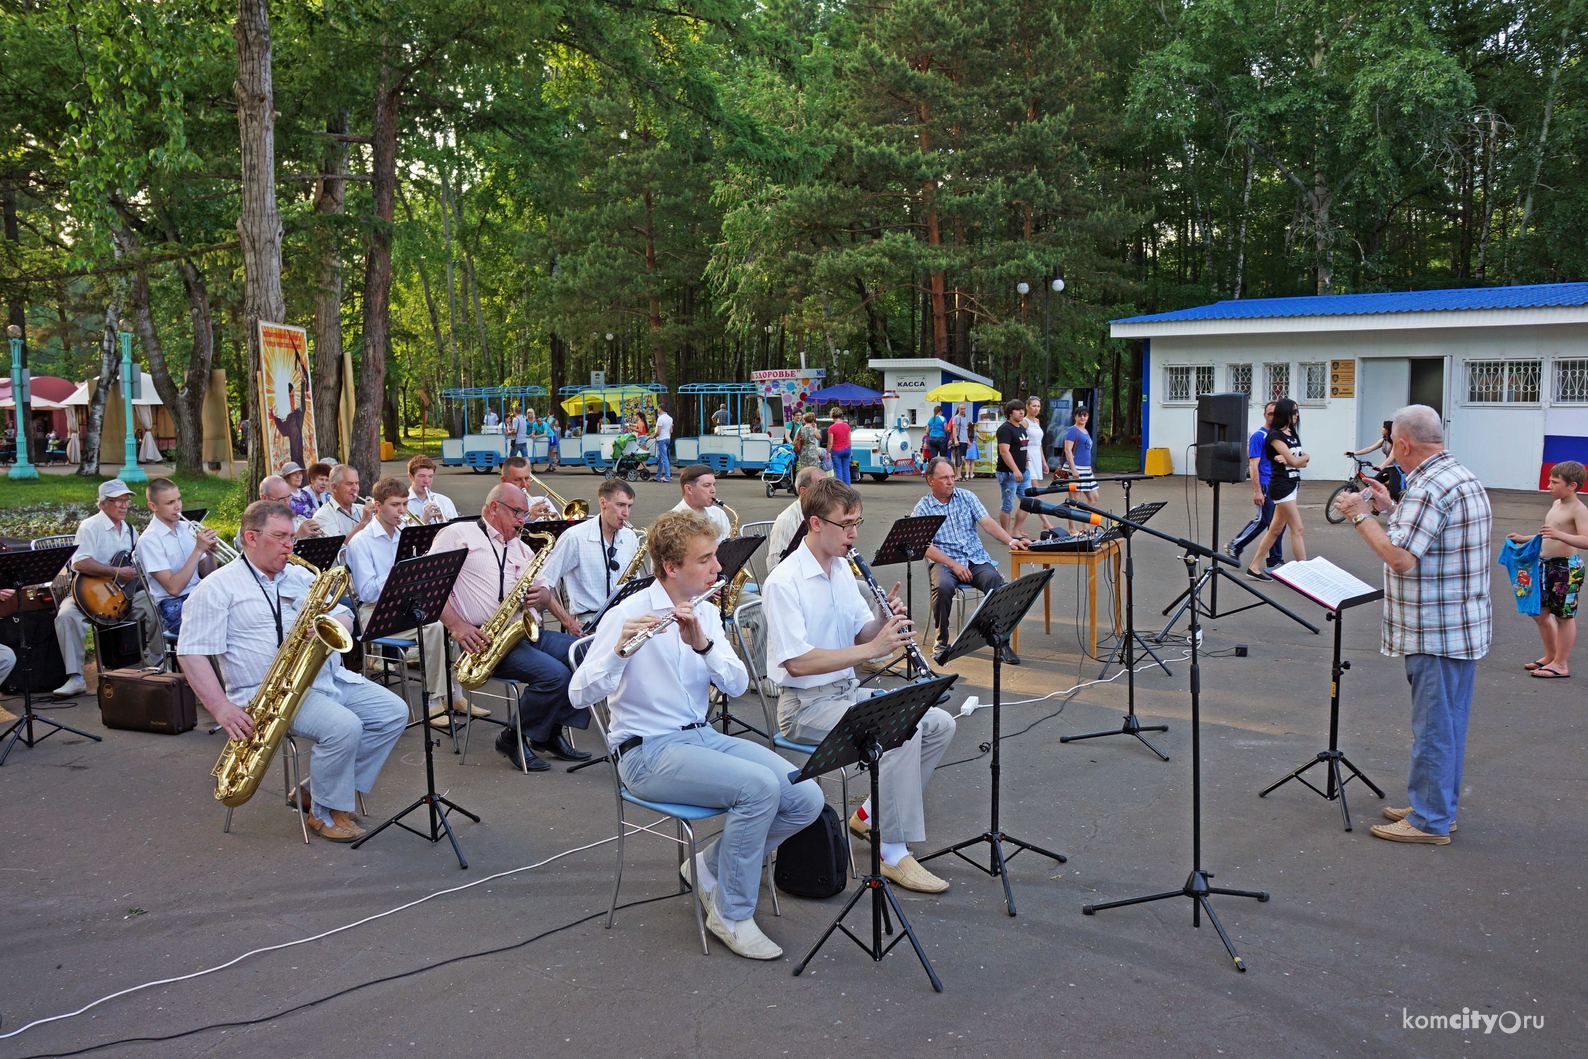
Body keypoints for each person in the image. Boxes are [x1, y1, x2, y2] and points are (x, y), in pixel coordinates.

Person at [570, 510, 821, 958]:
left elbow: (738, 684)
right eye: (705, 560)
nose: (717, 568)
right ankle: (731, 913)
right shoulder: (628, 612)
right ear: (671, 567)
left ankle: (707, 865)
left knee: (806, 796)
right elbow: (578, 693)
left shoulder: (702, 609)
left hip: (700, 736)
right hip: (646, 752)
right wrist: (617, 653)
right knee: (759, 789)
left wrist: (703, 645)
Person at [764, 478, 956, 893]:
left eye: (857, 522)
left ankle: (869, 816)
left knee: (938, 722)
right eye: (846, 524)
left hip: (844, 694)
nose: (854, 533)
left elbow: (859, 633)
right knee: (900, 732)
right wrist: (874, 645)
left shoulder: (840, 569)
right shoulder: (784, 581)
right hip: (805, 707)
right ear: (815, 523)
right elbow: (796, 663)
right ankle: (893, 852)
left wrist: (881, 622)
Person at [180, 500, 408, 843]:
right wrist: (220, 708)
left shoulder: (301, 575)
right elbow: (191, 652)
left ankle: (316, 789)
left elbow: (347, 614)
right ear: (251, 538)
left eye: (291, 537)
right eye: (281, 537)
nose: (290, 545)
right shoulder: (217, 587)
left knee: (393, 713)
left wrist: (332, 622)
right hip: (269, 692)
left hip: (326, 678)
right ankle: (324, 812)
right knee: (344, 727)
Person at [1330, 405, 1492, 846]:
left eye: (1391, 446)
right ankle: (1436, 804)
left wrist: (1359, 514)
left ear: (1403, 443)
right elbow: (1431, 534)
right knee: (1447, 725)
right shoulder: (1456, 476)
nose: (1390, 455)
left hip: (1435, 629)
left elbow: (1401, 558)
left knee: (1435, 728)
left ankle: (1429, 820)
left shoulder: (1428, 488)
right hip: (1459, 625)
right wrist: (1390, 506)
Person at [431, 484, 590, 771]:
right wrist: (457, 625)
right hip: (485, 640)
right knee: (555, 676)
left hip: (523, 630)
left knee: (586, 655)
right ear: (494, 508)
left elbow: (542, 589)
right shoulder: (458, 535)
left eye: (524, 514)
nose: (523, 521)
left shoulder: (519, 545)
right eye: (517, 513)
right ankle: (512, 738)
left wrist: (543, 598)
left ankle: (548, 734)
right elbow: (431, 589)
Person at [346, 476, 479, 725]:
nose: (402, 511)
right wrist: (401, 573)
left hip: (407, 605)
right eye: (395, 505)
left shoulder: (404, 535)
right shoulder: (361, 542)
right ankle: (434, 702)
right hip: (376, 612)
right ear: (377, 505)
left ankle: (455, 694)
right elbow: (366, 593)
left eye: (405, 504)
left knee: (452, 619)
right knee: (433, 626)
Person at [51, 479, 161, 697]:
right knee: (66, 616)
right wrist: (116, 573)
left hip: (123, 596)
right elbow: (79, 563)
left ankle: (154, 665)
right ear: (102, 504)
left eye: (126, 500)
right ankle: (76, 679)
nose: (124, 505)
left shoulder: (130, 531)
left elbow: (139, 562)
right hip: (89, 593)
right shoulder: (90, 526)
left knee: (156, 604)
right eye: (117, 500)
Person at [913, 456, 1029, 661]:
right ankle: (942, 641)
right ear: (930, 480)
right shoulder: (923, 507)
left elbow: (988, 523)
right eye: (945, 478)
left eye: (952, 476)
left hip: (975, 558)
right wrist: (953, 564)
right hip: (945, 562)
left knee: (995, 581)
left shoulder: (966, 496)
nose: (951, 481)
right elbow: (924, 546)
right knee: (943, 587)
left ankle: (998, 639)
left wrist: (1011, 541)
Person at [1506, 460, 1587, 679]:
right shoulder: (1556, 505)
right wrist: (1525, 539)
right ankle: (1551, 656)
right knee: (1541, 614)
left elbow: (1585, 540)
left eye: (1555, 482)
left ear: (1572, 485)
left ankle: (1561, 664)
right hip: (1545, 566)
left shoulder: (1578, 509)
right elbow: (1547, 536)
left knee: (1563, 616)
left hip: (1566, 568)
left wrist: (1559, 535)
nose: (1549, 485)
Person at [535, 478, 641, 634]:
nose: (626, 513)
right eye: (620, 505)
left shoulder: (630, 536)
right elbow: (542, 583)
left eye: (629, 506)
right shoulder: (574, 537)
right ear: (603, 503)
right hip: (590, 621)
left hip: (624, 617)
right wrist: (569, 623)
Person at [138, 477, 220, 637]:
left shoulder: (187, 527)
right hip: (174, 607)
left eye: (179, 499)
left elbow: (208, 574)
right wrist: (198, 550)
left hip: (199, 594)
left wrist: (209, 553)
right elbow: (174, 588)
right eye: (169, 503)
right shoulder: (149, 540)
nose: (178, 506)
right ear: (152, 506)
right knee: (222, 623)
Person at [1245, 398, 1308, 580]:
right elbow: (1297, 460)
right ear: (1285, 413)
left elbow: (1300, 464)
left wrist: (1299, 459)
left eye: (1297, 411)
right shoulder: (1275, 436)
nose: (1296, 415)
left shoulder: (1291, 434)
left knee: (1275, 530)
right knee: (1298, 529)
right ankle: (1306, 573)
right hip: (1281, 487)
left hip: (1292, 483)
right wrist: (1301, 457)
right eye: (1293, 411)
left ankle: (1254, 567)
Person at [1227, 401, 1286, 570]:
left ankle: (1275, 560)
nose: (1273, 417)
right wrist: (1257, 491)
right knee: (1264, 520)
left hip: (1279, 486)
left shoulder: (1279, 437)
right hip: (1266, 485)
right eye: (1270, 413)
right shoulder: (1259, 436)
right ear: (1264, 415)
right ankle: (1235, 545)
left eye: (1276, 414)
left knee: (1279, 525)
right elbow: (1253, 465)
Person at [767, 465, 828, 573]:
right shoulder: (786, 521)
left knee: (864, 589)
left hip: (823, 575)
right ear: (803, 491)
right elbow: (775, 567)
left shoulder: (826, 514)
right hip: (800, 584)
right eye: (821, 487)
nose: (828, 492)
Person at [1014, 395, 1054, 537]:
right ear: (1027, 407)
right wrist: (1024, 456)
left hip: (1037, 455)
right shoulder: (1024, 422)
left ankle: (1017, 527)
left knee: (1030, 495)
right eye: (1034, 406)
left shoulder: (1037, 421)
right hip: (1028, 457)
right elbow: (1021, 441)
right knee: (1034, 493)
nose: (1036, 408)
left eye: (1038, 406)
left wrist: (1044, 461)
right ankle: (1045, 521)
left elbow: (1039, 444)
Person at [1061, 407, 1100, 537]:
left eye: (1085, 415)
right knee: (1074, 500)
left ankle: (1085, 526)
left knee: (1094, 497)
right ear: (1075, 416)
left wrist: (1090, 471)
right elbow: (1068, 450)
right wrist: (1073, 469)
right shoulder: (1072, 430)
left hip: (1086, 469)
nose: (1082, 417)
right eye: (1080, 415)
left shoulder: (1085, 431)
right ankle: (1072, 529)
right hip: (1075, 468)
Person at [314, 464, 378, 539]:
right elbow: (339, 547)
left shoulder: (362, 509)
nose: (355, 488)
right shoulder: (323, 516)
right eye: (349, 484)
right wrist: (363, 522)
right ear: (334, 487)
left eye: (356, 483)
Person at [672, 465, 732, 541]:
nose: (713, 490)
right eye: (707, 485)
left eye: (714, 485)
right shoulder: (672, 521)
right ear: (689, 489)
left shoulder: (719, 513)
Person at [994, 399, 1028, 534]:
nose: (1021, 412)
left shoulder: (1020, 427)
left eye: (1022, 409)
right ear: (1009, 413)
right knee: (1008, 505)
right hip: (1008, 473)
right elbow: (1004, 451)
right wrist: (1015, 470)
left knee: (1028, 502)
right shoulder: (1005, 429)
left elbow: (1023, 446)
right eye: (1017, 410)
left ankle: (1016, 529)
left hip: (1023, 471)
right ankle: (1005, 533)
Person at [1349, 420, 1405, 502]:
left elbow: (1391, 457)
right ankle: (1379, 504)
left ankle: (1404, 508)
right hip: (1388, 467)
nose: (1381, 429)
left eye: (1383, 427)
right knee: (1373, 484)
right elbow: (1370, 449)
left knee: (1393, 493)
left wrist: (1380, 467)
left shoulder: (1396, 442)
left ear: (1388, 429)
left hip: (1397, 468)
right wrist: (1354, 453)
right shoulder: (1383, 441)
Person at [259, 475, 324, 539]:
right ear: (264, 498)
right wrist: (298, 537)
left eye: (289, 497)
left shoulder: (292, 517)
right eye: (282, 499)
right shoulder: (260, 523)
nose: (288, 503)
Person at [497, 456, 558, 521]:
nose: (524, 484)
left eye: (527, 478)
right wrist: (530, 519)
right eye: (517, 480)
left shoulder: (542, 501)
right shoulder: (497, 509)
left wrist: (558, 522)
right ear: (504, 480)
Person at [406, 454, 458, 524]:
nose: (427, 481)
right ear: (410, 476)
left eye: (430, 476)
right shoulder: (402, 504)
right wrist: (423, 520)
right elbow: (400, 533)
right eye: (422, 476)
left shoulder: (445, 501)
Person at [826, 408, 852, 485]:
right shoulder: (847, 426)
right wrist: (850, 449)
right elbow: (849, 440)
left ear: (832, 416)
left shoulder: (832, 428)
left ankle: (839, 488)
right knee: (846, 469)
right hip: (847, 449)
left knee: (838, 470)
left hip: (837, 450)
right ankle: (848, 488)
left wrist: (827, 452)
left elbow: (830, 442)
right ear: (841, 415)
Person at [950, 403, 971, 480]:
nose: (963, 410)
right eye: (961, 409)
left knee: (961, 457)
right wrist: (955, 439)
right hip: (959, 439)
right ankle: (957, 475)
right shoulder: (956, 417)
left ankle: (958, 475)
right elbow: (954, 429)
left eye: (964, 409)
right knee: (958, 457)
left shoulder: (964, 418)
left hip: (964, 440)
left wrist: (967, 440)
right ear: (958, 409)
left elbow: (965, 430)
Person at [654, 404, 674, 482]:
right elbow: (671, 430)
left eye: (658, 408)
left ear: (660, 408)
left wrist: (653, 436)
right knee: (661, 458)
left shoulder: (660, 419)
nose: (657, 410)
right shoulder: (670, 418)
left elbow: (658, 431)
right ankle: (658, 476)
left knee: (664, 458)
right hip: (667, 438)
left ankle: (667, 476)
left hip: (661, 439)